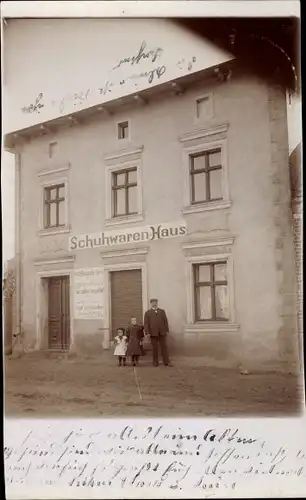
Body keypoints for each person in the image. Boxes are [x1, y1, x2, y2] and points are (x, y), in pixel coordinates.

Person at [144, 298, 172, 367]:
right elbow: (146, 323)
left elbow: (165, 321)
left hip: (162, 332)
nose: (154, 303)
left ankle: (166, 361)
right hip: (153, 333)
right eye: (153, 302)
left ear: (157, 303)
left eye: (155, 302)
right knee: (155, 348)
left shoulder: (162, 311)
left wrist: (166, 330)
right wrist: (147, 332)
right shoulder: (148, 313)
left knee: (164, 347)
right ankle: (155, 362)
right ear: (151, 304)